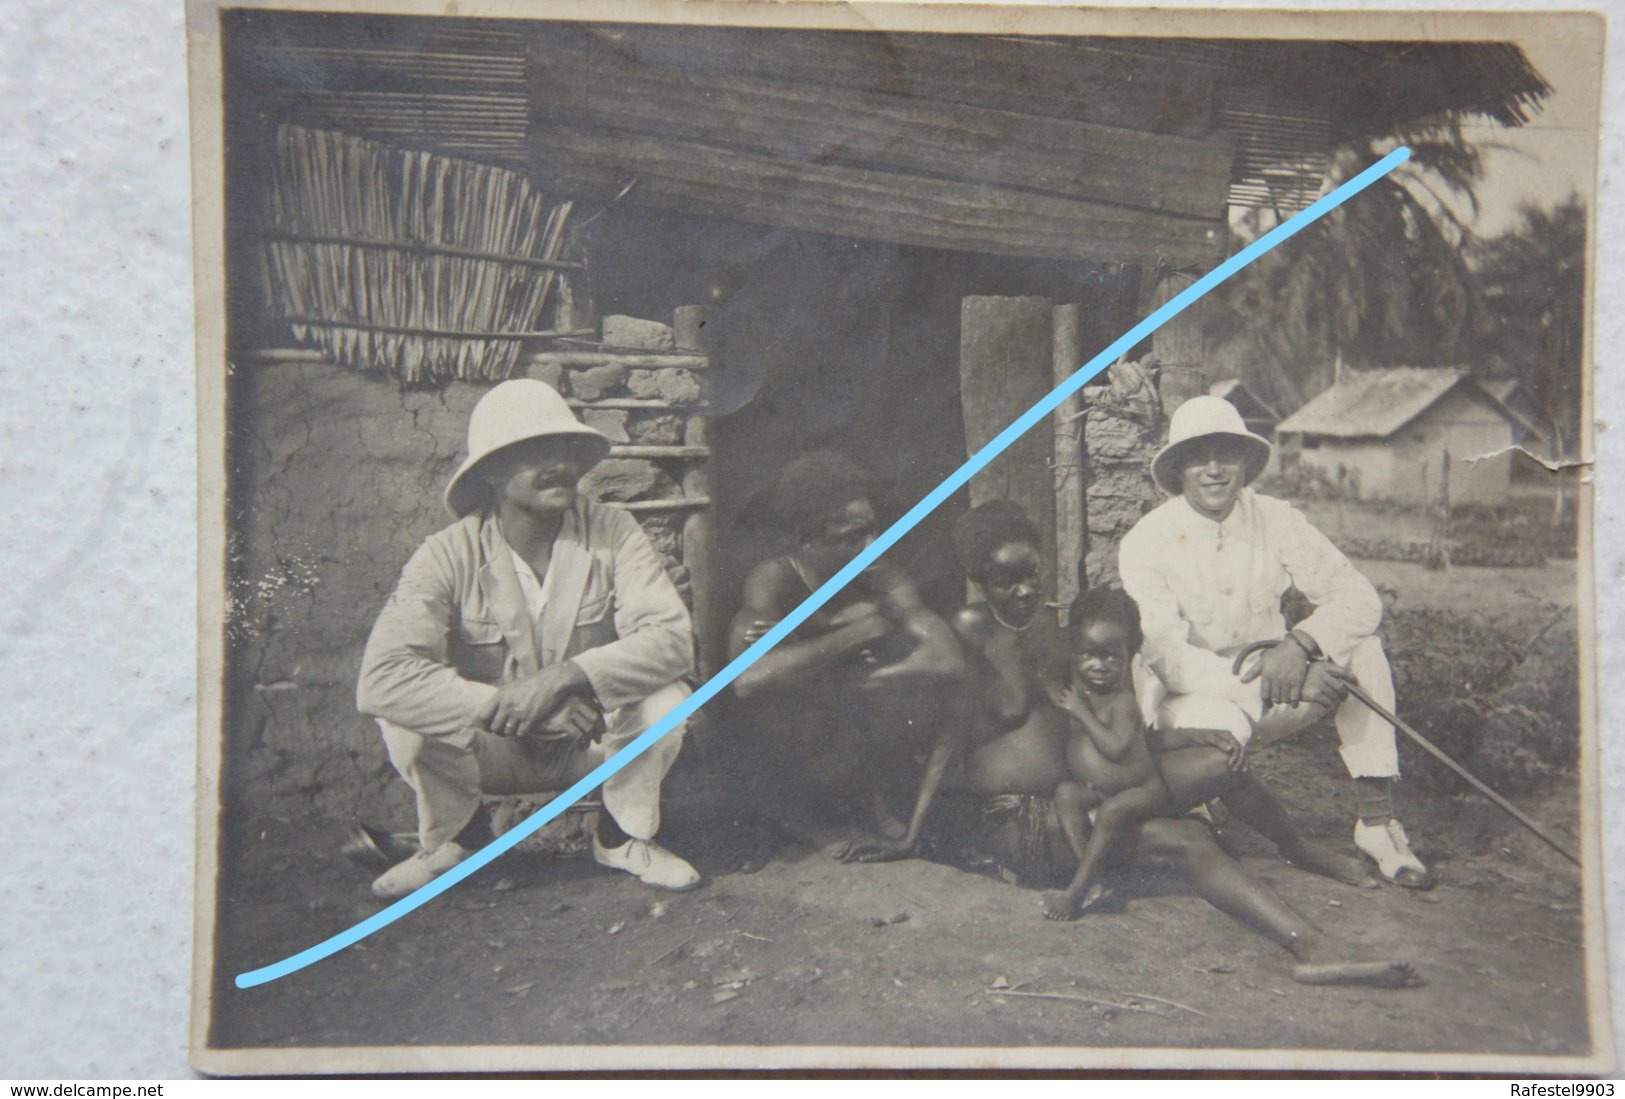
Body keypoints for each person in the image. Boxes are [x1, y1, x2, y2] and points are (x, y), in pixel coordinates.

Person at [356, 379, 700, 898]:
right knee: (404, 714)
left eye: (565, 448)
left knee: (668, 699)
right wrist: (513, 704)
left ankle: (620, 835)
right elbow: (381, 678)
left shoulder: (613, 531)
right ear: (492, 472)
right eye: (533, 452)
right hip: (492, 748)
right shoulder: (447, 554)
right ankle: (460, 841)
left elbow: (671, 639)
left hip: (590, 740)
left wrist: (566, 679)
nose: (558, 463)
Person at [1119, 395, 1429, 888]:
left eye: (1227, 453)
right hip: (1197, 705)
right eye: (1199, 456)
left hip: (1283, 683)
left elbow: (1360, 598)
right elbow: (1167, 658)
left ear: (1246, 461)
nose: (1215, 469)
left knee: (1363, 647)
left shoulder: (1277, 518)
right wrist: (1272, 684)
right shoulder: (1146, 540)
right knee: (1219, 737)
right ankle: (1199, 814)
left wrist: (1301, 644)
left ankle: (1376, 823)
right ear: (1178, 468)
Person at [1043, 587, 1362, 921]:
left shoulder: (1125, 673)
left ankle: (1295, 846)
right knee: (1086, 800)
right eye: (1088, 654)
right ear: (1074, 646)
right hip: (1092, 788)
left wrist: (1198, 735)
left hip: (1135, 781)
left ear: (1130, 650)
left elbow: (1135, 741)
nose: (1099, 664)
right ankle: (1090, 879)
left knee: (1225, 760)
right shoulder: (1064, 679)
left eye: (1112, 655)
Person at [726, 451, 965, 859]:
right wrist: (863, 631)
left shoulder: (882, 576)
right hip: (795, 735)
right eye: (852, 537)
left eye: (873, 531)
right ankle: (799, 817)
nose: (872, 546)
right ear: (810, 537)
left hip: (848, 718)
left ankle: (871, 803)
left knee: (924, 695)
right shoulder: (774, 579)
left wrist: (842, 676)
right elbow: (748, 680)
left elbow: (948, 659)